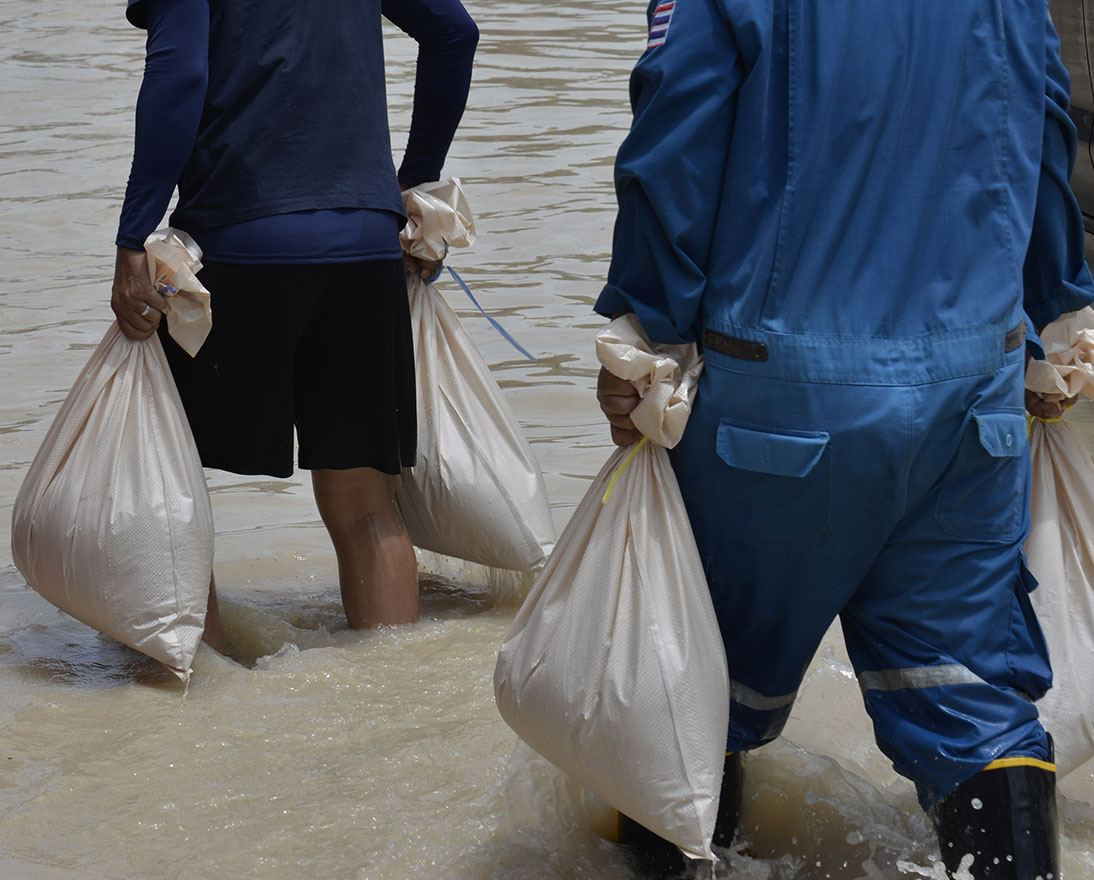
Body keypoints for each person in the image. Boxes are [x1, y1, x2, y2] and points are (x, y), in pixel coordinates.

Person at [595, 1, 1094, 877]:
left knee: (691, 701)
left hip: (776, 406)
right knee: (979, 710)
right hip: (973, 400)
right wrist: (1058, 324)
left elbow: (673, 133)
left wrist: (649, 335)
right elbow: (1048, 135)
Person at [111, 0, 478, 651]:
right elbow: (453, 33)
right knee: (369, 506)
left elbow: (180, 74)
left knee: (167, 495)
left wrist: (134, 232)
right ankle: (394, 699)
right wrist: (412, 190)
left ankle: (188, 722)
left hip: (239, 238)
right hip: (366, 242)